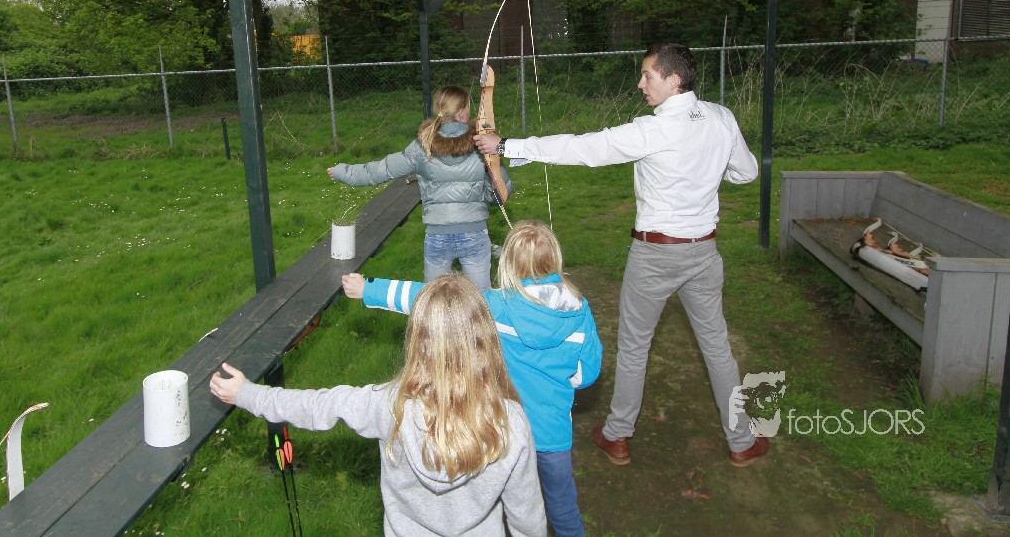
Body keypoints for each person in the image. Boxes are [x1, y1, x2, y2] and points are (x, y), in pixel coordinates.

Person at [472, 41, 768, 469]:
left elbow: (584, 148)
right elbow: (746, 172)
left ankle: (617, 436)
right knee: (717, 347)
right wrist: (705, 166)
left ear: (674, 80)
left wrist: (506, 146)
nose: (641, 83)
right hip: (704, 251)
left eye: (648, 75)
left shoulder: (653, 130)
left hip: (657, 255)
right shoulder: (721, 118)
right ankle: (741, 441)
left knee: (633, 348)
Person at [210, 274, 547, 537]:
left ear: (417, 340)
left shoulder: (389, 405)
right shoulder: (511, 421)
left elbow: (317, 405)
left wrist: (246, 394)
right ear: (485, 340)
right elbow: (527, 518)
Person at [343, 220, 601, 537]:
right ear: (555, 259)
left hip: (500, 429)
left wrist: (368, 288)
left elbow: (428, 299)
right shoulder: (579, 311)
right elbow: (587, 373)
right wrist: (562, 383)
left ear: (508, 264)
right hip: (553, 434)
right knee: (563, 508)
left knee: (501, 503)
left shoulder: (495, 307)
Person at [328, 85, 512, 289]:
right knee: (480, 299)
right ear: (461, 113)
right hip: (475, 233)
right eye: (469, 107)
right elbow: (501, 192)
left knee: (431, 300)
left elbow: (380, 170)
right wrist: (486, 189)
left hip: (437, 236)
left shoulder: (422, 145)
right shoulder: (482, 142)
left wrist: (342, 171)